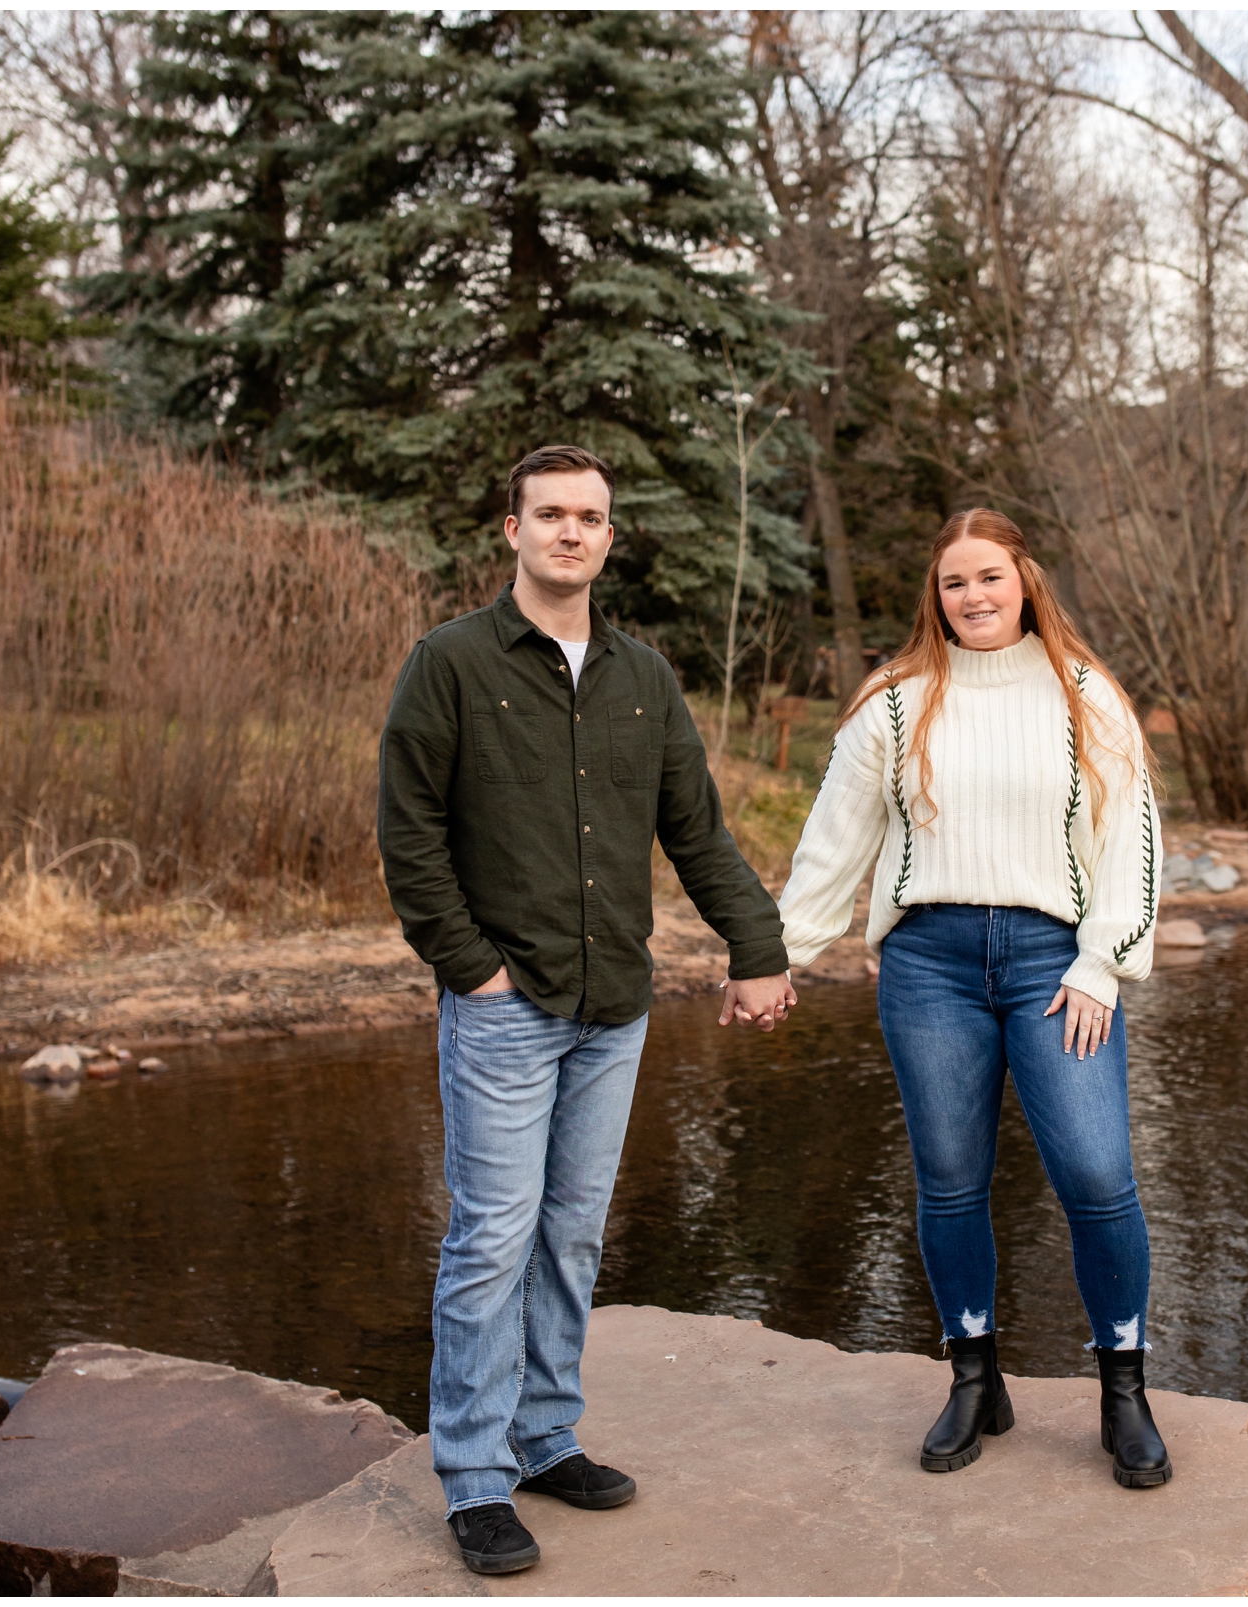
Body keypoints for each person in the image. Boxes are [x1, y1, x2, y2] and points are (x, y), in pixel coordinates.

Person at [377, 444, 799, 1575]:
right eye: (551, 513)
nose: (572, 531)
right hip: (505, 1007)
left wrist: (757, 947)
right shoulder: (452, 663)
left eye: (592, 516)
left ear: (611, 538)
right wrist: (470, 966)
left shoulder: (644, 678)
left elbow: (697, 832)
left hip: (615, 1003)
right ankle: (473, 1478)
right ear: (510, 530)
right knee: (490, 1239)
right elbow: (408, 837)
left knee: (571, 1232)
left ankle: (545, 1433)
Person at [775, 508, 1170, 1488]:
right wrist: (773, 950)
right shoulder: (897, 703)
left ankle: (1124, 1390)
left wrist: (1102, 961)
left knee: (1095, 1170)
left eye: (990, 576)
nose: (974, 595)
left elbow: (1134, 840)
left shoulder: (1086, 695)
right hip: (930, 964)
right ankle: (973, 1377)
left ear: (1025, 578)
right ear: (935, 594)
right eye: (955, 582)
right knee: (949, 1176)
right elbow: (835, 839)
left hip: (1054, 964)